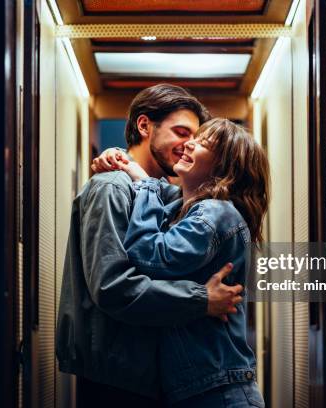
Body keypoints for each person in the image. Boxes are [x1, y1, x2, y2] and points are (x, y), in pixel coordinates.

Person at [55, 85, 245, 408]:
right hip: (117, 379)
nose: (189, 145)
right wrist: (201, 300)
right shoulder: (111, 188)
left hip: (148, 377)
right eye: (182, 132)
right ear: (144, 126)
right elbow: (112, 286)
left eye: (196, 139)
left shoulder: (165, 195)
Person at [101, 118, 270, 407]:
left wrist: (146, 188)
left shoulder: (215, 214)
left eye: (205, 143)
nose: (190, 143)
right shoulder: (187, 209)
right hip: (204, 389)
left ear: (225, 170)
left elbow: (148, 255)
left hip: (219, 393)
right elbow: (159, 199)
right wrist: (124, 162)